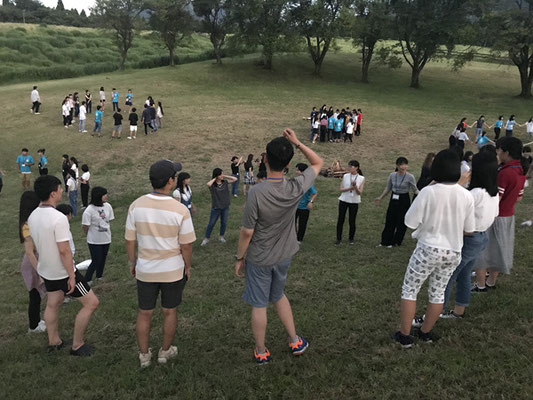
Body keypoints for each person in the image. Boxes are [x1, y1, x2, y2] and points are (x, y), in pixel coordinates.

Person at [235, 128, 323, 364]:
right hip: (284, 255)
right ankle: (295, 340)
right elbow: (318, 162)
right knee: (279, 295)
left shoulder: (256, 193)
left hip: (260, 258)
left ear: (265, 159)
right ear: (289, 164)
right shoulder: (296, 186)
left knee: (259, 304)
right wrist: (297, 143)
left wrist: (239, 258)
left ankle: (261, 351)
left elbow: (247, 232)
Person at [393, 149, 475, 348]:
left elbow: (410, 221)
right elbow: (469, 229)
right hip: (453, 251)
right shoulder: (466, 195)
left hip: (427, 249)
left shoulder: (428, 192)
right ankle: (425, 332)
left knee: (410, 290)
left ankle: (405, 336)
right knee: (438, 292)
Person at [125, 160, 195, 367]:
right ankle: (165, 352)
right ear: (171, 181)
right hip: (172, 270)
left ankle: (144, 356)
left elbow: (129, 240)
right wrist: (188, 266)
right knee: (169, 311)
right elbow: (186, 245)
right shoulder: (180, 210)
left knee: (144, 312)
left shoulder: (136, 205)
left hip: (145, 269)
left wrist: (133, 262)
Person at [28, 175, 99, 356]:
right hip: (62, 272)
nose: (62, 191)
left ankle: (54, 342)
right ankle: (77, 345)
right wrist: (72, 276)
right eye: (59, 189)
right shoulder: (58, 218)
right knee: (91, 303)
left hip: (46, 270)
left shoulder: (33, 215)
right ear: (53, 194)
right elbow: (64, 251)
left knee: (53, 303)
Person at [436, 152, 499, 320]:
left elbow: (447, 203)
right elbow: (494, 215)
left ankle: (435, 313)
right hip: (481, 237)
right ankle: (459, 310)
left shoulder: (474, 194)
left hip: (468, 239)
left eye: (472, 166)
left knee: (448, 275)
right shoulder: (493, 192)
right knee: (463, 274)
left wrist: (458, 183)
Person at [473, 137, 527, 291]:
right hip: (508, 216)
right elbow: (519, 197)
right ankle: (491, 282)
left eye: (498, 149)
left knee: (483, 251)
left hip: (495, 217)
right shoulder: (520, 170)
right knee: (498, 250)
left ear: (506, 152)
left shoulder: (504, 173)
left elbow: (497, 198)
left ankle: (480, 285)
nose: (497, 152)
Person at [375, 157, 419, 248]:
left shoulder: (410, 177)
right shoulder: (392, 175)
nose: (403, 167)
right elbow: (388, 188)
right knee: (390, 219)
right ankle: (385, 241)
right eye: (401, 165)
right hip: (394, 198)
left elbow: (415, 190)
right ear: (397, 166)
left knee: (401, 221)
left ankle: (396, 242)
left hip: (404, 199)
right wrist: (380, 197)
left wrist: (423, 196)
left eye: (405, 165)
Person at [19, 191, 46, 333]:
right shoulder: (27, 226)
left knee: (37, 295)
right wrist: (39, 271)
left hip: (36, 260)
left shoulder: (33, 222)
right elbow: (29, 252)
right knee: (34, 295)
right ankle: (33, 326)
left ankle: (36, 321)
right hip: (32, 264)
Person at [82, 187, 114, 285]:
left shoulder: (108, 206)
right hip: (94, 240)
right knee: (96, 260)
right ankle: (87, 279)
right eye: (104, 195)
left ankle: (99, 276)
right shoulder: (89, 210)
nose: (106, 196)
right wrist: (88, 234)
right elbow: (85, 226)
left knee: (103, 258)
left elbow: (108, 220)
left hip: (106, 238)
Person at [201, 169, 237, 246]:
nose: (222, 176)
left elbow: (235, 179)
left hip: (225, 206)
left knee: (224, 223)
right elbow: (208, 184)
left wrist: (224, 176)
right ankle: (206, 238)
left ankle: (221, 236)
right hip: (216, 207)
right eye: (220, 174)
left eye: (222, 174)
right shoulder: (213, 185)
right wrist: (215, 178)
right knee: (211, 223)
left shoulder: (225, 182)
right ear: (216, 175)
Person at [336, 160, 364, 245]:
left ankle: (351, 238)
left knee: (352, 220)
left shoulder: (361, 178)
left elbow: (359, 192)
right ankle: (338, 238)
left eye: (351, 167)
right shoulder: (345, 176)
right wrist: (350, 188)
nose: (349, 168)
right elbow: (341, 189)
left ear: (356, 168)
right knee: (341, 219)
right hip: (344, 200)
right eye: (349, 166)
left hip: (354, 201)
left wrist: (355, 187)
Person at [294, 163, 318, 243]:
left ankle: (299, 239)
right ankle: (292, 237)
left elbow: (315, 193)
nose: (296, 171)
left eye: (298, 170)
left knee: (302, 224)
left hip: (304, 207)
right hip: (294, 206)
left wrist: (311, 202)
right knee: (292, 223)